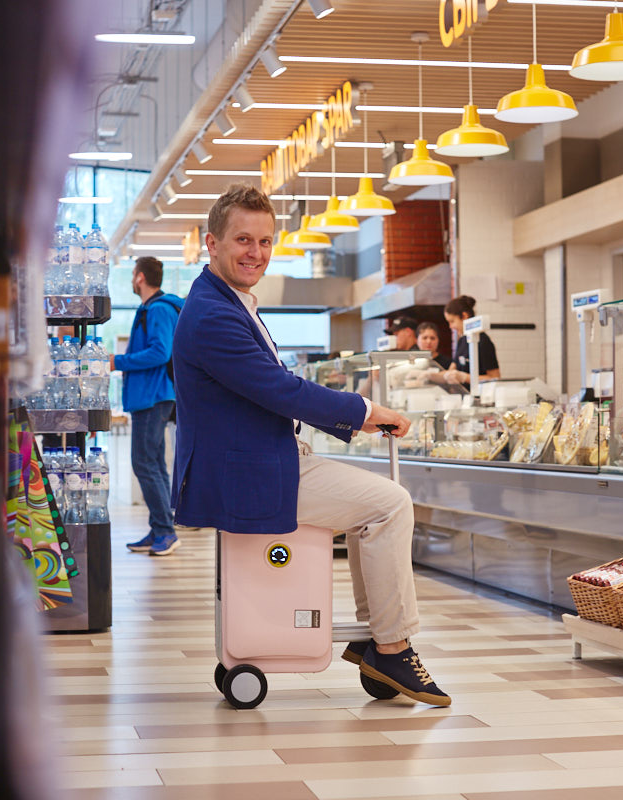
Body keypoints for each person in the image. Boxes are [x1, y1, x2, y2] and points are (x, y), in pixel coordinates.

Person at [171, 184, 450, 706]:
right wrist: (364, 413)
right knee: (390, 504)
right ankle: (390, 646)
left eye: (264, 241)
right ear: (212, 243)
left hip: (259, 460)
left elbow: (267, 391)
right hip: (250, 476)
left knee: (377, 508)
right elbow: (279, 389)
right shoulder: (213, 315)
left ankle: (382, 639)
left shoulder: (226, 302)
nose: (255, 252)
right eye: (242, 240)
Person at [110, 256, 185, 556]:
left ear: (140, 277)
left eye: (132, 274)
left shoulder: (158, 309)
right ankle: (159, 528)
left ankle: (166, 531)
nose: (131, 279)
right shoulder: (153, 308)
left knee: (143, 463)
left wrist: (119, 361)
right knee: (153, 464)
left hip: (153, 397)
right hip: (151, 396)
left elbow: (160, 351)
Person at [443, 294, 500, 385]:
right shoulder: (462, 341)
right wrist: (430, 375)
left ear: (464, 316)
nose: (451, 326)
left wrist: (465, 377)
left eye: (452, 321)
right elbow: (451, 370)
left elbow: (494, 377)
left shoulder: (483, 341)